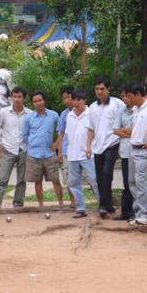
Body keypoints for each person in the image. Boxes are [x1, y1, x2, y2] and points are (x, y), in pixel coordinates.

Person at [86, 76, 125, 218]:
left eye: (102, 88)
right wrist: (88, 146)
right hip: (97, 146)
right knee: (100, 176)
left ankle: (103, 205)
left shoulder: (117, 104)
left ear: (108, 89)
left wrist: (122, 135)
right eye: (97, 89)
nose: (99, 91)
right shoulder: (92, 107)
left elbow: (125, 120)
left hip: (112, 143)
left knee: (107, 173)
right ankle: (107, 205)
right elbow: (90, 128)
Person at [0, 87, 32, 209]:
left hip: (24, 149)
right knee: (2, 178)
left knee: (22, 180)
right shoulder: (4, 112)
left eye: (19, 97)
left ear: (24, 98)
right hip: (8, 149)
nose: (17, 99)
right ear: (11, 98)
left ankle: (18, 203)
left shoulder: (29, 114)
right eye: (14, 96)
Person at [23, 90, 64, 208]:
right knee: (37, 181)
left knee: (56, 180)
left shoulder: (54, 115)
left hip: (50, 154)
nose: (37, 103)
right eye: (35, 101)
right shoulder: (28, 118)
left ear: (44, 101)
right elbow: (25, 136)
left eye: (40, 100)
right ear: (32, 103)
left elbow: (62, 130)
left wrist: (56, 144)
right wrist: (32, 145)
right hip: (33, 155)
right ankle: (41, 205)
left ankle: (61, 204)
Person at [127, 83, 147, 225]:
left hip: (144, 150)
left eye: (130, 96)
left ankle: (146, 214)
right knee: (132, 182)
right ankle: (138, 212)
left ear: (139, 94)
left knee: (142, 183)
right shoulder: (136, 109)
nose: (128, 100)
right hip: (133, 148)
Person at [65, 89, 100, 218]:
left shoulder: (91, 113)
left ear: (84, 100)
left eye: (79, 100)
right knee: (73, 183)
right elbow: (68, 135)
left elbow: (95, 132)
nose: (76, 102)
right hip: (72, 154)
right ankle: (80, 208)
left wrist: (90, 147)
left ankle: (103, 206)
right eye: (74, 99)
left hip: (88, 154)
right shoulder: (69, 115)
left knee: (94, 181)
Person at [113, 83, 135, 220]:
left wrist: (127, 131)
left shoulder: (139, 111)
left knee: (137, 183)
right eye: (123, 96)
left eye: (127, 96)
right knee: (127, 183)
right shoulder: (121, 111)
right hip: (125, 152)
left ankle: (137, 212)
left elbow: (138, 131)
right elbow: (115, 130)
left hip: (138, 152)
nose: (125, 99)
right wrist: (130, 133)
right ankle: (126, 212)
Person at [57, 86, 77, 208]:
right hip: (66, 151)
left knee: (89, 178)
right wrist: (59, 151)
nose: (67, 100)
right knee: (69, 179)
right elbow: (61, 133)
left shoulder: (85, 111)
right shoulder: (64, 114)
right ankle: (73, 203)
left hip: (81, 151)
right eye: (64, 98)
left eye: (69, 97)